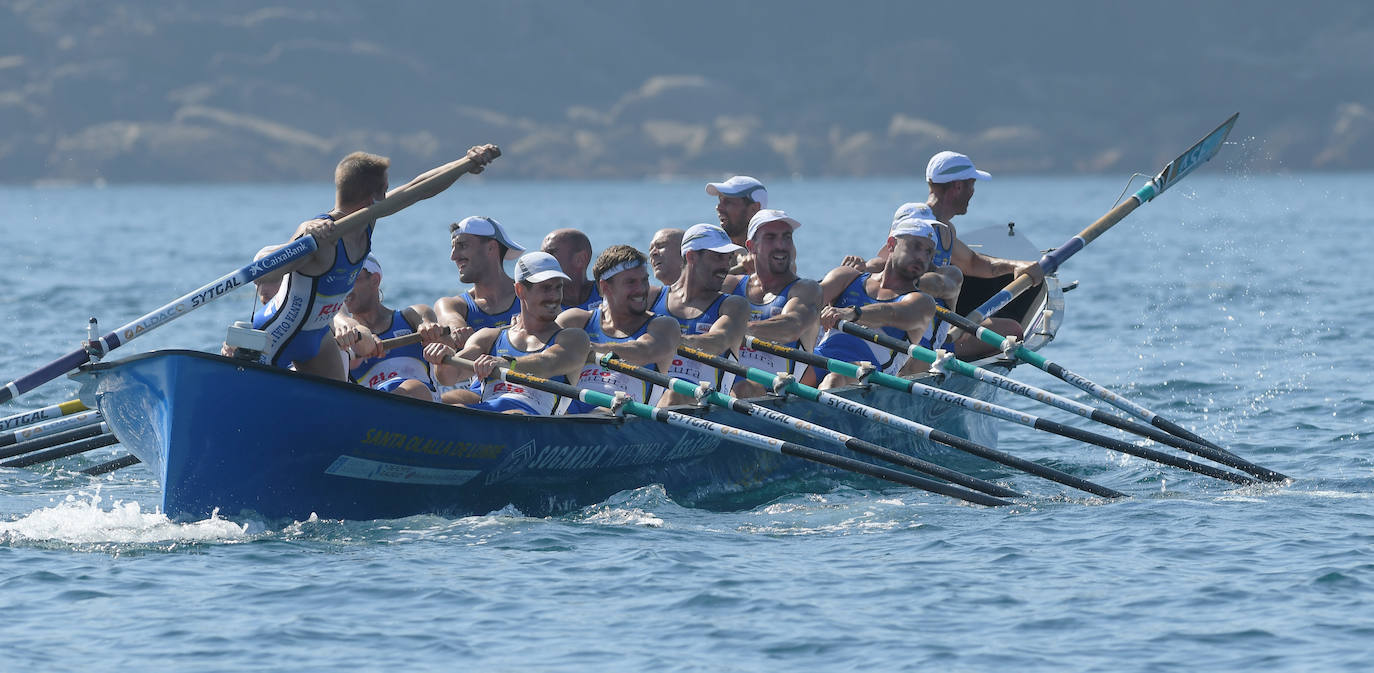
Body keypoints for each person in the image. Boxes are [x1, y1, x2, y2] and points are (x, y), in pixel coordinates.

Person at [248, 145, 497, 377]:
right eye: (386, 189)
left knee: (337, 410)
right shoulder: (321, 237)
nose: (389, 194)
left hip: (318, 336)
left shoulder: (368, 221)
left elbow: (418, 189)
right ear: (374, 195)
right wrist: (302, 232)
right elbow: (263, 275)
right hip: (279, 334)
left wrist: (466, 163)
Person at [424, 252, 591, 415]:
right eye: (546, 288)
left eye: (558, 287)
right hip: (491, 416)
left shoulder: (574, 338)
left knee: (513, 413)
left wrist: (505, 363)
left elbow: (547, 363)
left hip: (531, 422)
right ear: (520, 290)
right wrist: (444, 359)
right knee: (442, 405)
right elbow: (449, 377)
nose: (554, 296)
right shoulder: (488, 338)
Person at [804, 218, 939, 389]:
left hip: (869, 373)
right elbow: (804, 306)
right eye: (915, 246)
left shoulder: (922, 302)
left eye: (928, 252)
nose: (921, 257)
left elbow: (891, 313)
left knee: (835, 380)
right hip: (821, 358)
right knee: (784, 368)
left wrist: (851, 313)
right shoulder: (847, 277)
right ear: (891, 244)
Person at [556, 245, 680, 413]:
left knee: (599, 412)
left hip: (622, 420)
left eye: (644, 280)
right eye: (631, 282)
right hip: (569, 413)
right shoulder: (576, 320)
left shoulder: (663, 326)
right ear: (605, 287)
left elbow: (645, 350)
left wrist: (591, 349)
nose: (642, 289)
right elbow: (541, 346)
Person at [724, 209, 823, 398]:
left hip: (780, 396)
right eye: (770, 237)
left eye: (787, 237)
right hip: (729, 389)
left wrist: (735, 331)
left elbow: (791, 327)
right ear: (751, 246)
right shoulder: (730, 285)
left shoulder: (806, 290)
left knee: (743, 388)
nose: (781, 245)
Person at [651, 224, 750, 407]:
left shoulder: (734, 305)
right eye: (718, 257)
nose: (725, 266)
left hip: (704, 403)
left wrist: (669, 342)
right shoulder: (651, 298)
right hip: (647, 402)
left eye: (728, 259)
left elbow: (719, 341)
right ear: (691, 256)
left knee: (675, 395)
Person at [332, 255, 441, 402]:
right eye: (342, 280)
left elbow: (436, 332)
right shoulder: (343, 333)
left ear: (375, 280)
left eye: (352, 278)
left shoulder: (411, 316)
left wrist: (430, 330)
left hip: (422, 401)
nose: (345, 286)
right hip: (372, 409)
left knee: (413, 387)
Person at [541, 228, 601, 310]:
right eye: (542, 255)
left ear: (581, 259)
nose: (542, 261)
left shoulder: (609, 295)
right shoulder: (530, 302)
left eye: (551, 253)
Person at [647, 227, 684, 308]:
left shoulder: (714, 300)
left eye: (661, 245)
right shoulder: (649, 300)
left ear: (684, 252)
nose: (652, 253)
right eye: (650, 249)